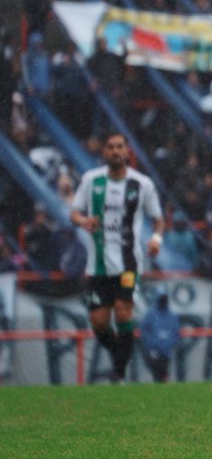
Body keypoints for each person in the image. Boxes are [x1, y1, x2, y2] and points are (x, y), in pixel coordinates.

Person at [69, 132, 165, 384]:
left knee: (123, 312)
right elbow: (74, 212)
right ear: (104, 151)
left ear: (126, 151)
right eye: (110, 147)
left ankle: (119, 374)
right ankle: (120, 355)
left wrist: (156, 240)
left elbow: (158, 219)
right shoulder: (91, 180)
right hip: (98, 265)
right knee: (99, 322)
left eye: (119, 146)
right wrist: (84, 221)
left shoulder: (142, 184)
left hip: (128, 263)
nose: (115, 151)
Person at [139, 287, 181, 383]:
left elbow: (176, 332)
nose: (163, 300)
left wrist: (170, 343)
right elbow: (144, 330)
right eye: (161, 298)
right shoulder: (151, 314)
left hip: (166, 350)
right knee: (157, 370)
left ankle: (162, 382)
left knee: (163, 371)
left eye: (164, 298)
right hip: (153, 350)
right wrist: (151, 343)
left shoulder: (172, 315)